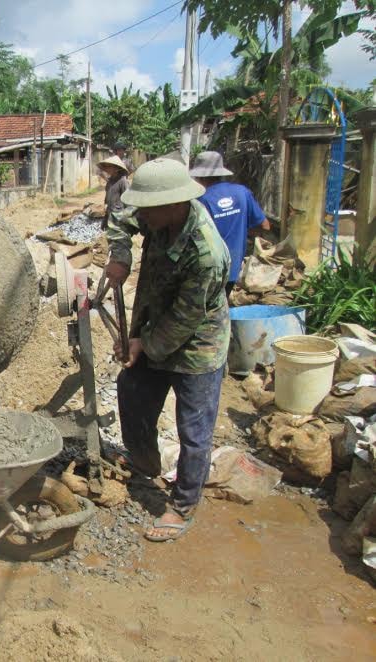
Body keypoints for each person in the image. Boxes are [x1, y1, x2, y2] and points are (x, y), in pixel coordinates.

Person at [104, 158, 230, 543]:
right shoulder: (155, 214)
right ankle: (144, 460)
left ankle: (183, 504)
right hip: (155, 321)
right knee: (132, 391)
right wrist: (121, 256)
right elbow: (120, 220)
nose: (141, 214)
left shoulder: (205, 253)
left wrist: (143, 344)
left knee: (194, 429)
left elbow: (184, 320)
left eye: (148, 210)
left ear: (174, 205)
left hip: (197, 345)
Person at [190, 151, 270, 301]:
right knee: (222, 306)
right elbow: (265, 226)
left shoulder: (199, 200)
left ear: (198, 176)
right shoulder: (242, 193)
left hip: (208, 271)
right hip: (233, 269)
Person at [98, 155, 130, 230]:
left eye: (109, 166)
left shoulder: (122, 181)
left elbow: (128, 200)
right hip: (109, 213)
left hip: (119, 216)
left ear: (116, 168)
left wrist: (126, 218)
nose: (107, 169)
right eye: (106, 167)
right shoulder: (109, 181)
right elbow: (107, 196)